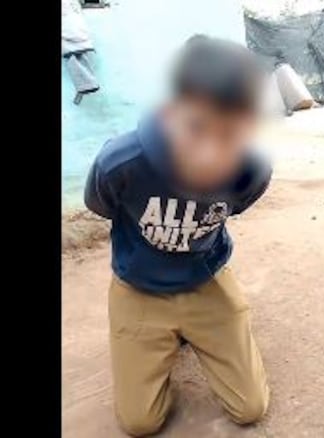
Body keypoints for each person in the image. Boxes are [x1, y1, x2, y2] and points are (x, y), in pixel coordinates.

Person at [84, 34, 273, 437]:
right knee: (139, 422)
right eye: (197, 127)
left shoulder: (251, 172)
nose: (208, 155)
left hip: (206, 280)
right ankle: (162, 345)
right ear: (172, 111)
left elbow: (234, 208)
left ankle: (196, 332)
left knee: (250, 408)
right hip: (138, 286)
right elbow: (101, 205)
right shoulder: (120, 162)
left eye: (229, 135)